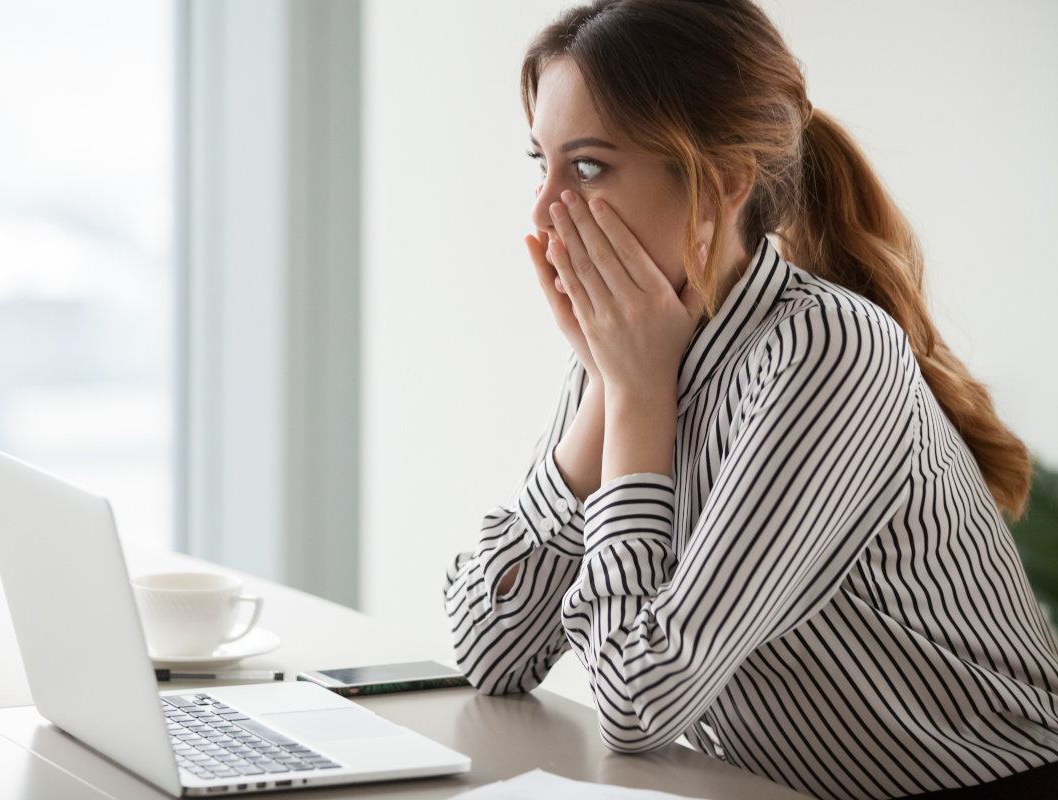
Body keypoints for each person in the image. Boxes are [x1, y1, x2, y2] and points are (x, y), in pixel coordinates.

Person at [442, 2, 1058, 798]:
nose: (541, 208)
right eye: (541, 163)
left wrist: (631, 394)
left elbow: (637, 699)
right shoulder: (639, 346)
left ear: (722, 182)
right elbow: (488, 653)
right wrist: (607, 387)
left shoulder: (828, 353)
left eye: (588, 167)